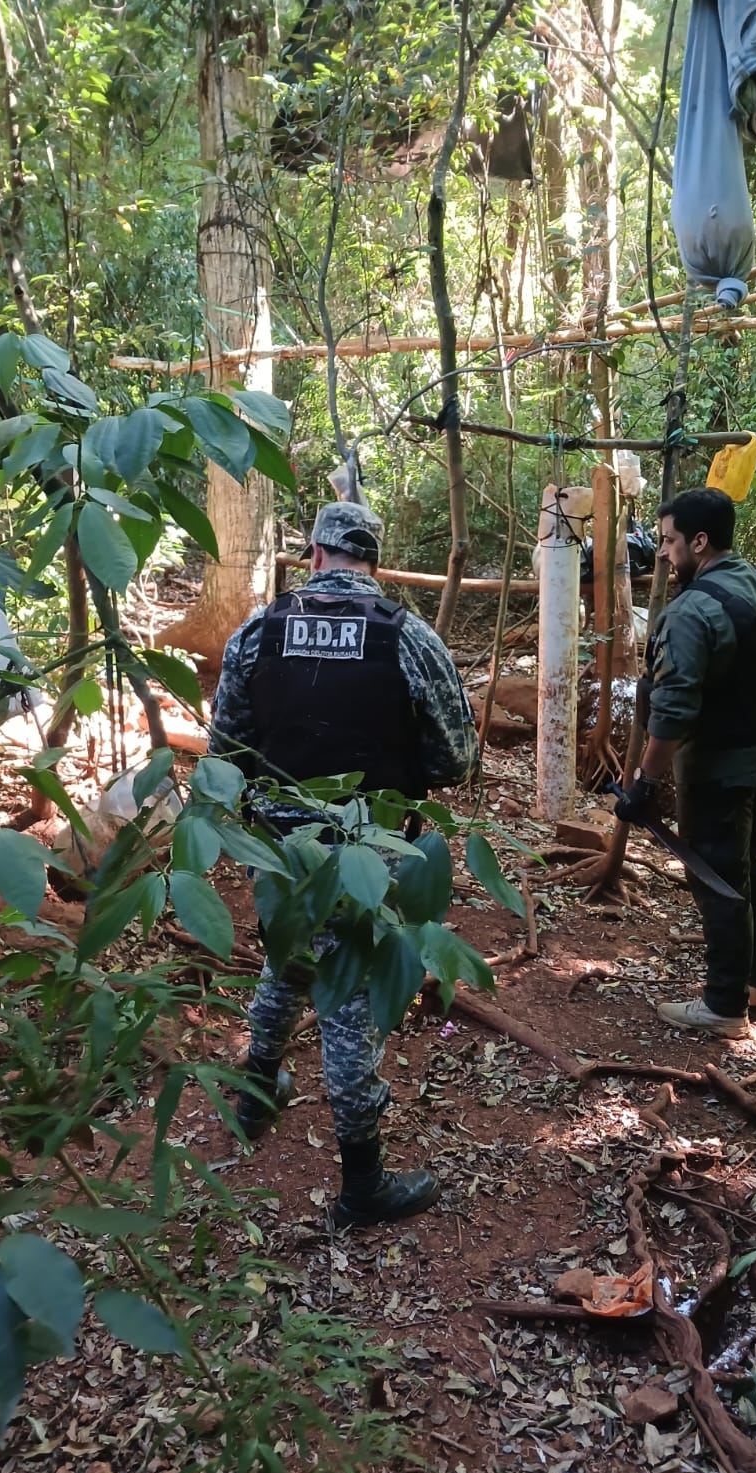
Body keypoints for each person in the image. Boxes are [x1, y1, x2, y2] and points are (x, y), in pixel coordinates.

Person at [210, 500, 479, 1226]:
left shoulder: (257, 633)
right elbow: (456, 759)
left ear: (314, 554)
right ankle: (362, 1182)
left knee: (289, 960)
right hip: (368, 851)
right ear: (375, 561)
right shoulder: (409, 638)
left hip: (277, 849)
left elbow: (222, 757)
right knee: (349, 999)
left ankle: (257, 1092)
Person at [614, 487, 756, 1039]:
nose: (665, 555)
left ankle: (724, 1006)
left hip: (724, 768)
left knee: (719, 877)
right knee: (751, 863)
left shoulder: (692, 610)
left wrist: (645, 783)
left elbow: (671, 712)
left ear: (700, 541)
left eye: (670, 543)